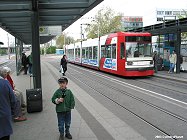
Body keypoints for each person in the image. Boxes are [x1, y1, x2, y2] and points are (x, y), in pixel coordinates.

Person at [0, 68, 16, 140]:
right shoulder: (5, 83)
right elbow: (13, 99)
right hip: (4, 115)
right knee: (5, 136)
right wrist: (13, 111)